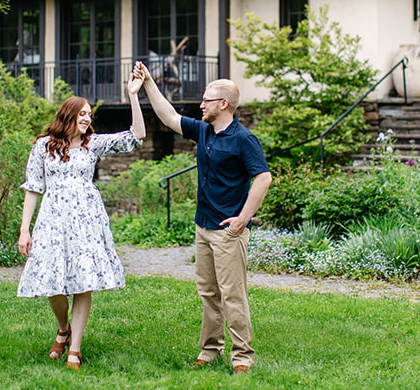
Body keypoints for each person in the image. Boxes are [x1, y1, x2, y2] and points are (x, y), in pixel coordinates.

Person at [134, 61, 272, 376]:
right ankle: (210, 350)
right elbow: (168, 116)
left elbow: (263, 178)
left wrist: (242, 219)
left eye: (207, 100)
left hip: (228, 231)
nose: (201, 105)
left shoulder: (242, 139)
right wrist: (148, 83)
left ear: (223, 104)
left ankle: (243, 356)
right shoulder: (204, 130)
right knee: (208, 292)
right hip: (204, 226)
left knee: (232, 293)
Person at [16, 70, 146, 371]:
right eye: (82, 114)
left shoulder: (93, 144)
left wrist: (133, 95)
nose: (87, 118)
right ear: (68, 115)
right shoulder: (44, 146)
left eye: (89, 114)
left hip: (86, 221)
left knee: (83, 282)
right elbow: (33, 187)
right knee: (53, 284)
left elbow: (137, 137)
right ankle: (63, 328)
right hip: (52, 221)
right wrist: (25, 230)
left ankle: (74, 348)